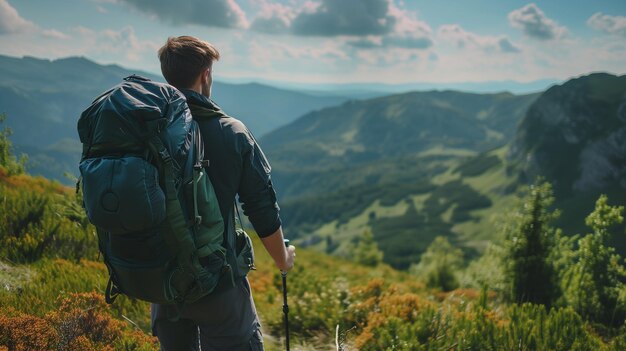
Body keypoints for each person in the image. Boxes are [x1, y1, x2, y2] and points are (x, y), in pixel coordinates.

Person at [152, 36, 296, 351]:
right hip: (218, 284)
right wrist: (283, 260)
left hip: (163, 284)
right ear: (205, 74)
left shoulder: (151, 129)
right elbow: (261, 209)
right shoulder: (231, 132)